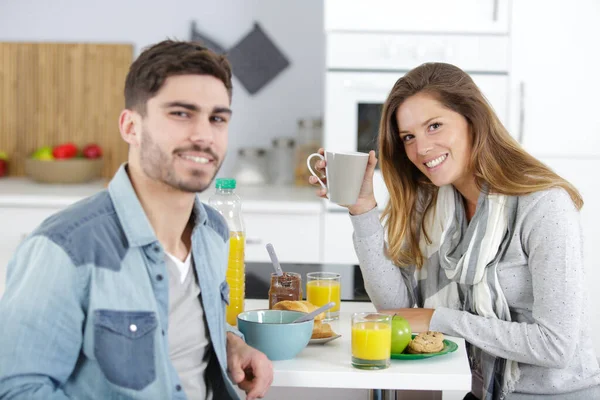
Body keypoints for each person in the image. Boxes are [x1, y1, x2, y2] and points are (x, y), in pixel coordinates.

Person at [0, 40, 273, 400]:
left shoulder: (214, 234)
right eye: (181, 113)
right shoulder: (65, 249)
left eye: (217, 118)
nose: (204, 135)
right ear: (131, 126)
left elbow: (176, 325)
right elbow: (17, 390)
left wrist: (229, 343)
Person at [310, 62, 600, 399]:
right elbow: (399, 310)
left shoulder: (543, 205)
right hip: (478, 390)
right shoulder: (433, 205)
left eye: (434, 126)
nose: (421, 149)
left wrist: (438, 319)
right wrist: (363, 211)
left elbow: (556, 347)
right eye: (409, 137)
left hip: (557, 394)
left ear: (472, 120)